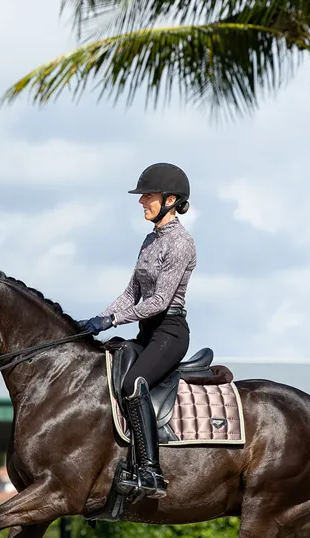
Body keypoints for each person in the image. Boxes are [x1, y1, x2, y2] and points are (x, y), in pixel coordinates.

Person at [81, 163, 196, 498]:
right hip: (148, 332)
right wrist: (95, 320)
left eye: (148, 195)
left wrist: (113, 321)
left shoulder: (181, 243)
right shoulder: (149, 240)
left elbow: (159, 301)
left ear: (170, 199)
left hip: (170, 332)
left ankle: (151, 471)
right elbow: (132, 293)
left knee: (133, 384)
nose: (142, 201)